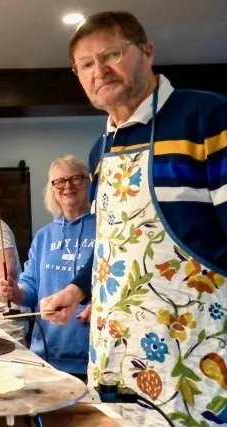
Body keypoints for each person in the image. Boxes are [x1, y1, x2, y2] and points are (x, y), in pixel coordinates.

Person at [39, 11, 227, 426]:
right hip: (117, 357)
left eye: (111, 54)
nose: (99, 70)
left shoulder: (207, 117)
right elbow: (114, 244)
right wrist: (76, 289)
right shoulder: (99, 150)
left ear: (147, 52)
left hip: (194, 354)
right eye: (85, 64)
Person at [0, 155, 94, 380]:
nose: (67, 186)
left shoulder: (106, 229)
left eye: (75, 179)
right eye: (59, 181)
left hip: (92, 355)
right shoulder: (43, 236)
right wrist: (17, 292)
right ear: (52, 189)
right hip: (47, 355)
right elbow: (30, 286)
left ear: (88, 182)